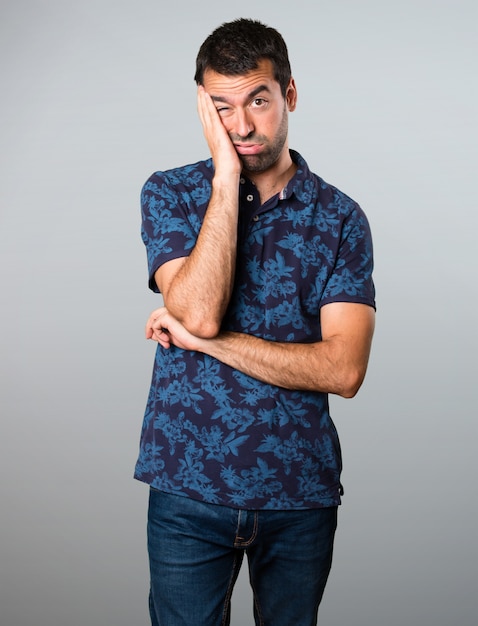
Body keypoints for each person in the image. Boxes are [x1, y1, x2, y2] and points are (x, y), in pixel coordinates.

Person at [135, 18, 375, 626]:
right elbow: (198, 311)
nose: (241, 126)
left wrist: (206, 345)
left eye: (258, 101)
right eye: (222, 108)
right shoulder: (171, 194)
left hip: (298, 494)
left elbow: (344, 370)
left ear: (289, 95)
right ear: (203, 110)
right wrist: (225, 177)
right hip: (187, 491)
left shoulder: (342, 219)